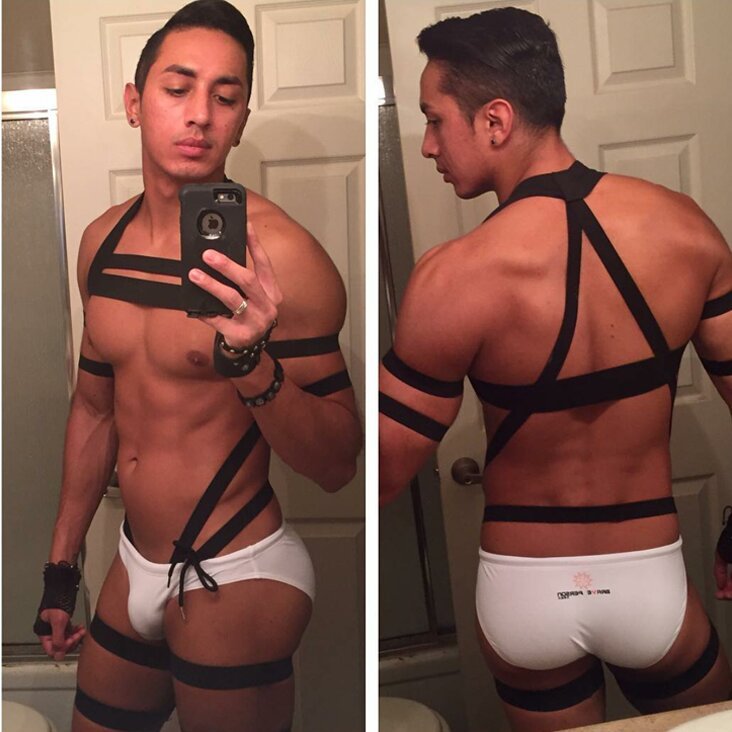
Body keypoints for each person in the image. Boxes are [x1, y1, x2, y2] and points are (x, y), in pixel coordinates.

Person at [379, 7, 732, 731]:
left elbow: (382, 472)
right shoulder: (686, 229)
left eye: (435, 120)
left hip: (526, 589)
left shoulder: (450, 279)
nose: (428, 145)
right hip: (650, 580)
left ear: (496, 120)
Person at [33, 2, 362, 730]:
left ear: (241, 120)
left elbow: (338, 462)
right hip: (135, 562)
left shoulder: (284, 260)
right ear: (134, 102)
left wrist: (249, 360)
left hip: (235, 564)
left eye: (226, 96)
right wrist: (61, 570)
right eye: (178, 88)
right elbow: (94, 410)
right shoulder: (102, 244)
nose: (200, 115)